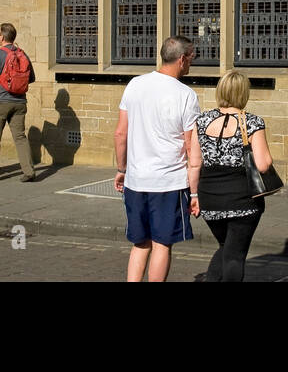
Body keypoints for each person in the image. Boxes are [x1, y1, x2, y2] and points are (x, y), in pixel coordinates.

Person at [114, 36, 200, 282]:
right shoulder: (186, 95)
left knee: (140, 243)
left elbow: (120, 133)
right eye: (191, 59)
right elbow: (190, 145)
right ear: (182, 59)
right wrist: (194, 193)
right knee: (162, 243)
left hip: (137, 179)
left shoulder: (134, 85)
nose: (191, 64)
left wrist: (122, 168)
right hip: (168, 182)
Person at [187, 70, 272, 282]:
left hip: (209, 198)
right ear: (244, 93)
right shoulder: (252, 122)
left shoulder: (202, 120)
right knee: (235, 255)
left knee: (226, 246)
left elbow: (194, 163)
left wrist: (194, 196)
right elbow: (263, 165)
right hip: (242, 199)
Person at [0, 23, 36, 181]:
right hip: (20, 103)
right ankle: (29, 171)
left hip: (1, 102)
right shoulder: (22, 53)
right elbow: (31, 78)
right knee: (20, 137)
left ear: (3, 36)